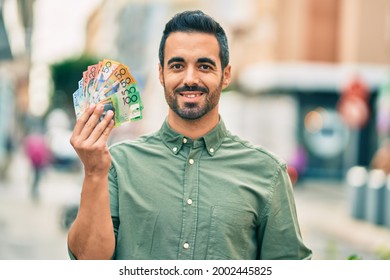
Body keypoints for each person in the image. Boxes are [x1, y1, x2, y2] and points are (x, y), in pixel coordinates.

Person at [68, 10, 312, 260]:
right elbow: (89, 262)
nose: (190, 78)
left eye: (204, 66)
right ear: (162, 74)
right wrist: (94, 173)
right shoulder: (117, 165)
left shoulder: (268, 172)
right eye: (177, 66)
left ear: (225, 75)